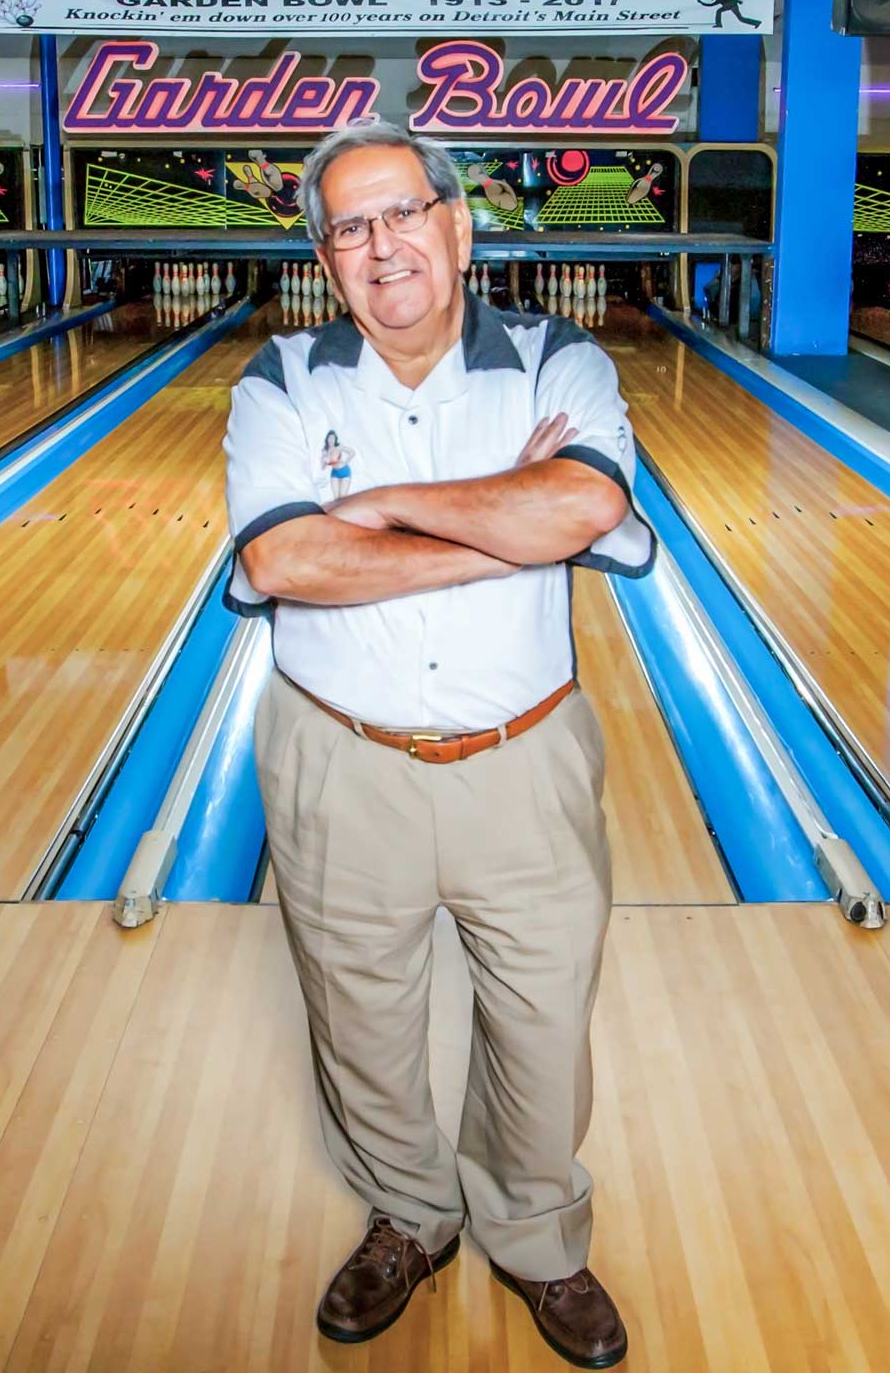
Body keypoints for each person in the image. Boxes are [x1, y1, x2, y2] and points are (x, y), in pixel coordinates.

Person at [223, 118, 652, 1369]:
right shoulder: (280, 378)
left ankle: (535, 1236)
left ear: (456, 226)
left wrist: (388, 506)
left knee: (539, 1021)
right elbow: (283, 556)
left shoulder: (555, 357)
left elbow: (584, 503)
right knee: (357, 1019)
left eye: (402, 212)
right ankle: (408, 1216)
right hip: (334, 760)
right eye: (349, 227)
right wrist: (502, 528)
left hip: (522, 763)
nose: (380, 245)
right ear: (324, 255)